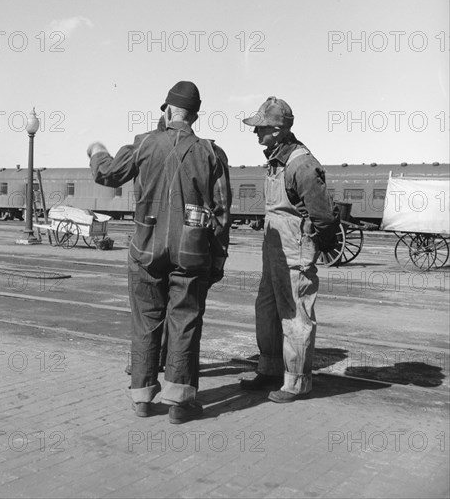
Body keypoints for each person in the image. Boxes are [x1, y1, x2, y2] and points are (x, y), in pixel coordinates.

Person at [87, 81, 231, 423]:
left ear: (166, 111)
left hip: (146, 248)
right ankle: (180, 403)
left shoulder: (144, 144)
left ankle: (142, 398)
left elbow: (108, 174)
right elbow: (222, 213)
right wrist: (218, 260)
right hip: (191, 252)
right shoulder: (212, 153)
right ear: (195, 116)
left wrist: (96, 150)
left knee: (145, 321)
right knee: (185, 322)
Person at [239, 96, 339, 403]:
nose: (256, 133)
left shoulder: (301, 164)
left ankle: (297, 382)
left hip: (294, 250)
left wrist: (315, 244)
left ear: (279, 129)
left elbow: (323, 216)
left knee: (295, 313)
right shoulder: (277, 158)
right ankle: (269, 369)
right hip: (275, 251)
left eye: (262, 128)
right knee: (266, 309)